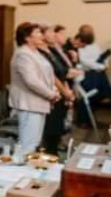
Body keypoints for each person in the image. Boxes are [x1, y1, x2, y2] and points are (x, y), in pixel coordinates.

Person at [9, 22, 60, 156]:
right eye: (37, 33)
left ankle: (27, 173)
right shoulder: (23, 54)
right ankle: (18, 174)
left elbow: (47, 75)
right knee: (27, 145)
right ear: (27, 37)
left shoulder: (35, 52)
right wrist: (50, 94)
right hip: (29, 103)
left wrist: (54, 90)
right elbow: (31, 81)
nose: (41, 35)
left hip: (38, 102)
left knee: (34, 143)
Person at [38, 24, 77, 155]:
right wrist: (65, 92)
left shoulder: (51, 50)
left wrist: (67, 91)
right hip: (51, 94)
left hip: (61, 93)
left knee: (57, 130)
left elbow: (63, 72)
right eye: (49, 31)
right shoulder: (40, 53)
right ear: (42, 35)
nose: (53, 34)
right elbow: (52, 76)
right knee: (50, 132)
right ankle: (49, 158)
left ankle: (53, 155)